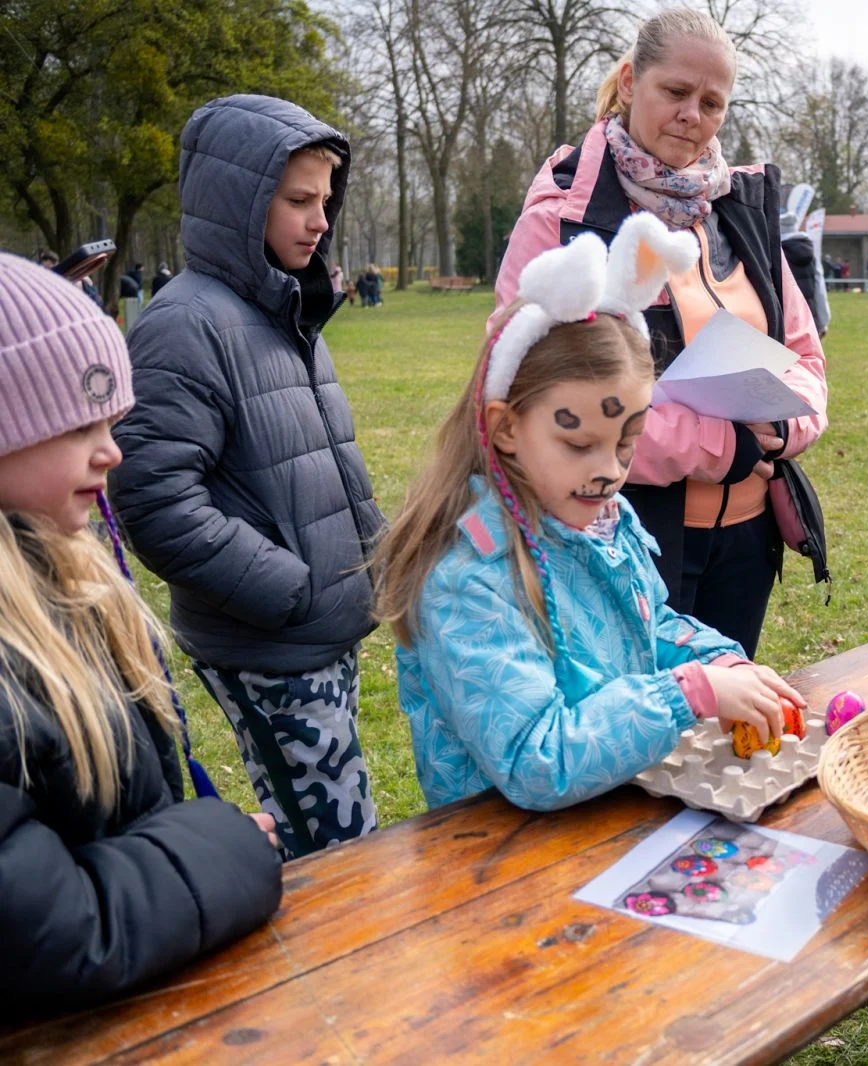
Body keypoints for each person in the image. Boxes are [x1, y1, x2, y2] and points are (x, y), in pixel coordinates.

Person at [374, 214, 806, 811]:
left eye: (626, 443)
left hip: (600, 818)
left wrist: (717, 659)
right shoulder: (468, 576)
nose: (608, 471)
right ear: (504, 428)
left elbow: (648, 627)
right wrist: (688, 695)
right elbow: (535, 757)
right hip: (499, 859)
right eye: (580, 444)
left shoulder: (605, 517)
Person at [494, 7, 828, 658]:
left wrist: (788, 429)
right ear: (628, 82)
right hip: (622, 540)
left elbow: (806, 361)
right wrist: (721, 446)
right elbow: (540, 407)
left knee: (726, 735)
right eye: (675, 92)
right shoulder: (564, 217)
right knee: (640, 747)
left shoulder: (743, 208)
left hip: (749, 542)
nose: (693, 115)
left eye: (713, 102)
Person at [0, 253, 282, 1015]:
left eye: (112, 422)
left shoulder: (61, 585)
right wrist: (224, 847)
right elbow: (49, 932)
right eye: (78, 425)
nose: (112, 451)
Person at [109, 95, 384, 860]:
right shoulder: (183, 324)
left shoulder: (286, 311)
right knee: (333, 854)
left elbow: (321, 465)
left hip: (322, 632)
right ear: (239, 202)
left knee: (334, 842)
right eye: (298, 200)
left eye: (325, 200)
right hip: (269, 644)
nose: (320, 219)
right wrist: (286, 590)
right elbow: (155, 498)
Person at [779, 209, 829, 337]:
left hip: (784, 316)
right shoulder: (811, 251)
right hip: (810, 314)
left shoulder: (774, 252)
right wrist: (823, 320)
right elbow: (819, 285)